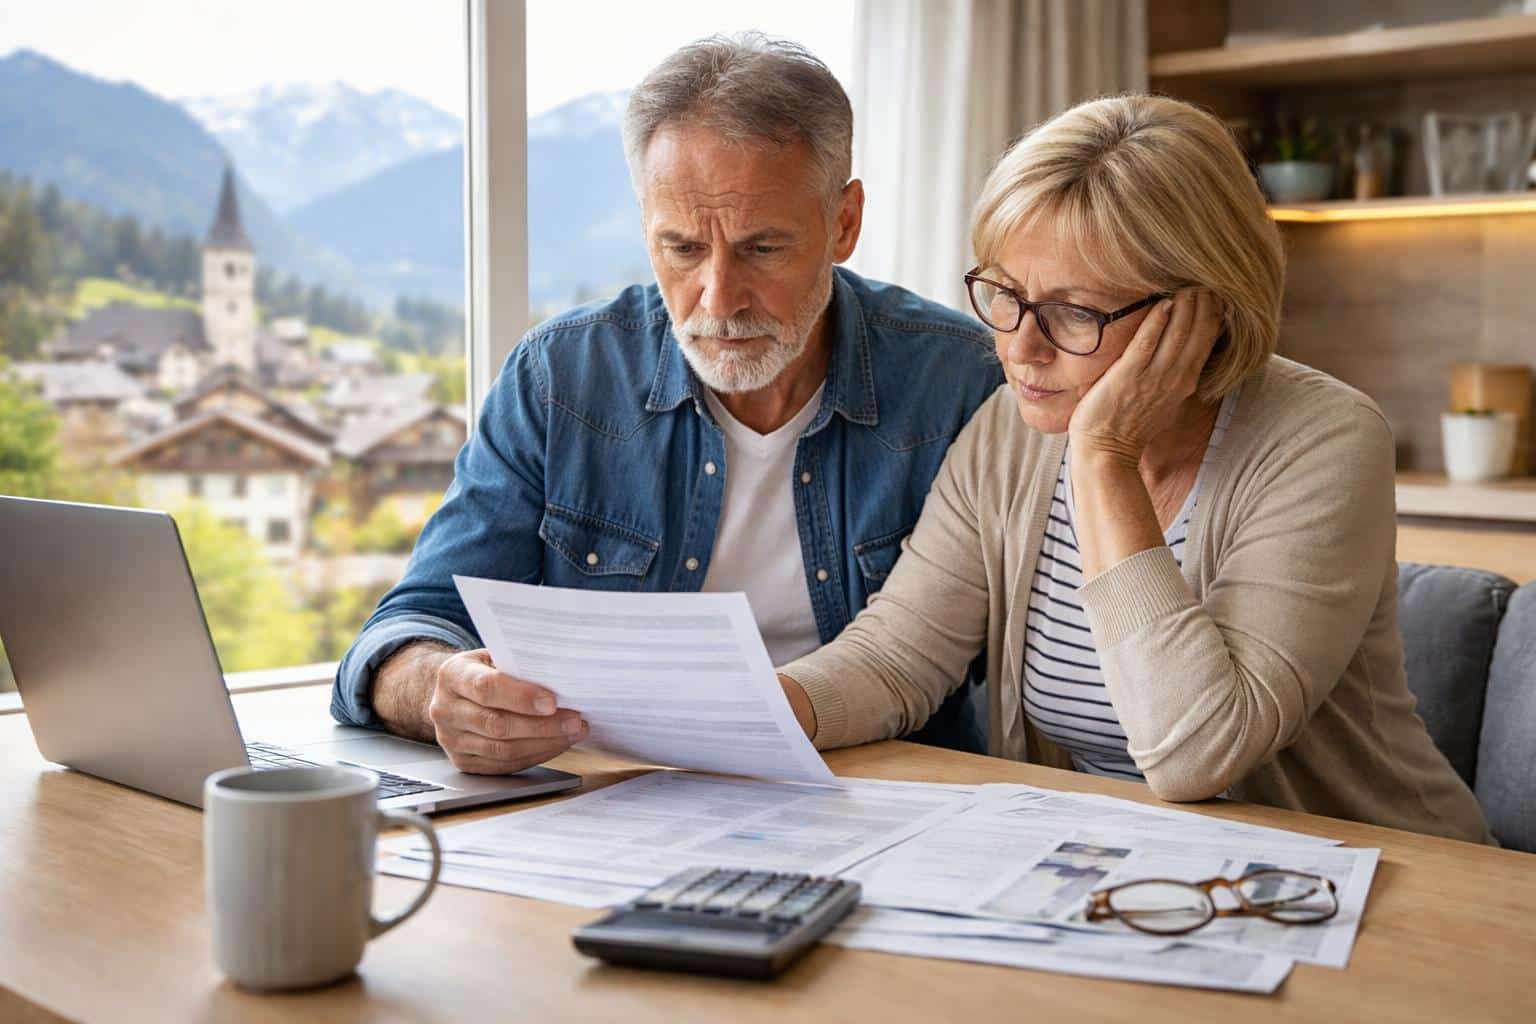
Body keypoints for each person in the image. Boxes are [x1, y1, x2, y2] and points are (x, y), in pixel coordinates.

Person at [776, 94, 1493, 843]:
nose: (1020, 348)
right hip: (1135, 869)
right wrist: (746, 712)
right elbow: (897, 656)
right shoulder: (1012, 431)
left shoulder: (1323, 441)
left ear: (1201, 312)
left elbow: (1197, 753)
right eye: (1006, 294)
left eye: (1073, 311)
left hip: (1386, 872)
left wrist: (1104, 458)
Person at [329, 34, 1003, 771]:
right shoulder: (561, 378)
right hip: (618, 795)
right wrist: (441, 691)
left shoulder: (960, 381)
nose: (719, 299)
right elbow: (412, 625)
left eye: (762, 249)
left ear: (843, 222)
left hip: (888, 791)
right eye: (682, 249)